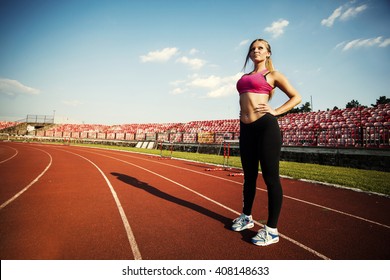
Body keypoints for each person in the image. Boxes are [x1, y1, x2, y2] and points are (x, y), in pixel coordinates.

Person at [232, 39, 301, 246]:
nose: (256, 51)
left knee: (271, 178)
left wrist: (276, 111)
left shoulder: (273, 75)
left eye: (260, 48)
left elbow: (296, 97)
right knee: (249, 176)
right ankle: (247, 217)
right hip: (246, 129)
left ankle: (271, 230)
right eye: (253, 48)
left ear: (268, 53)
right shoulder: (244, 77)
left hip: (265, 127)